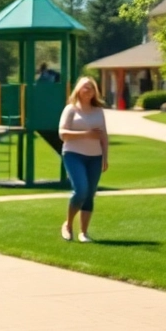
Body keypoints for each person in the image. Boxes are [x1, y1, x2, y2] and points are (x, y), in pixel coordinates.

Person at [59, 76, 108, 243]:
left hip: (95, 157)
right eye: (85, 87)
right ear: (78, 90)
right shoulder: (71, 109)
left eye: (92, 88)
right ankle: (68, 224)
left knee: (90, 194)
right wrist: (86, 134)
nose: (88, 91)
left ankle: (84, 233)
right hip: (74, 154)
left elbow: (103, 136)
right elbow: (63, 134)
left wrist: (105, 157)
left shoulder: (98, 111)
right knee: (81, 190)